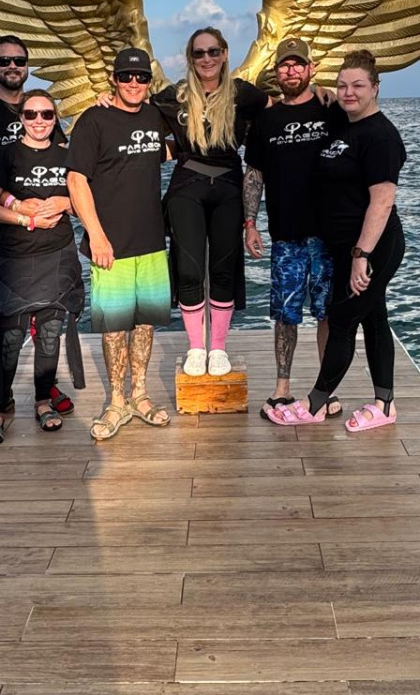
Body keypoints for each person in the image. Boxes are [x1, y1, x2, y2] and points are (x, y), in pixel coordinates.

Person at [264, 49, 406, 432]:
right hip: (345, 247)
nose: (348, 92)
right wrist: (320, 91)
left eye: (358, 85)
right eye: (342, 85)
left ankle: (315, 404)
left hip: (373, 247)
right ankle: (385, 404)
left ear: (375, 88)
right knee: (375, 318)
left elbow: (382, 201)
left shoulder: (380, 135)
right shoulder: (345, 125)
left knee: (341, 320)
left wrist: (362, 254)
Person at [0, 34, 74, 421]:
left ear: (27, 66)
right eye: (4, 60)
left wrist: (61, 204)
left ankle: (45, 387)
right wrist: (19, 206)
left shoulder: (44, 111)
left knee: (47, 321)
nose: (12, 66)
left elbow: (63, 167)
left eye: (19, 61)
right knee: (1, 324)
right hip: (0, 235)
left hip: (47, 238)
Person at [66, 47, 175, 441]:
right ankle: (116, 402)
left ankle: (140, 396)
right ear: (113, 79)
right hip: (109, 244)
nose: (133, 83)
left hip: (151, 241)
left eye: (141, 77)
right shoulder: (93, 120)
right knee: (114, 328)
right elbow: (76, 179)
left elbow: (186, 131)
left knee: (144, 323)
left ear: (149, 81)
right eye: (125, 76)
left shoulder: (155, 115)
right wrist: (96, 235)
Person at [152, 27, 267, 377]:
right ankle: (195, 348)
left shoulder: (243, 94)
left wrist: (321, 94)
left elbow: (283, 111)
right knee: (189, 269)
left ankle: (217, 347)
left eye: (213, 51)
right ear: (190, 58)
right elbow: (134, 116)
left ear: (225, 54)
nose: (207, 59)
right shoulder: (175, 96)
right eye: (199, 53)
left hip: (229, 186)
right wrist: (106, 100)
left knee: (222, 269)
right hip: (187, 185)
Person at [243, 37, 347, 419]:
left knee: (327, 313)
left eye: (297, 64)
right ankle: (282, 388)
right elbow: (254, 174)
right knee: (285, 314)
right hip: (285, 234)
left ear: (311, 69)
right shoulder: (265, 120)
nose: (291, 70)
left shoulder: (331, 110)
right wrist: (250, 223)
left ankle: (325, 388)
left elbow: (361, 138)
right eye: (285, 65)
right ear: (276, 72)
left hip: (328, 234)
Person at [0, 92, 84, 442]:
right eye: (32, 114)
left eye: (47, 114)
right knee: (8, 336)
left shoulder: (68, 156)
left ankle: (42, 401)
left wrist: (65, 202)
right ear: (21, 118)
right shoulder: (7, 155)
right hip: (15, 258)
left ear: (55, 118)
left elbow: (87, 203)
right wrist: (25, 218)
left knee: (50, 333)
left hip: (59, 255)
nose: (39, 121)